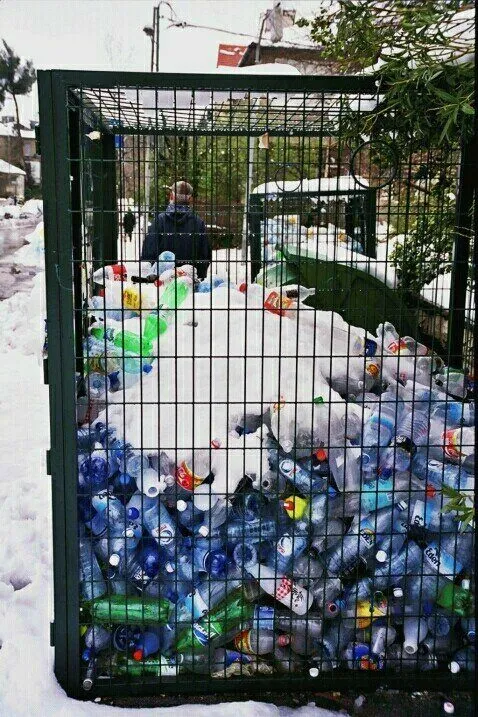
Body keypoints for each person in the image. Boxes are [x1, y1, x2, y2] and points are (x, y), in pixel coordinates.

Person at [141, 180, 211, 280]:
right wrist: (199, 275)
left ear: (171, 196)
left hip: (162, 280)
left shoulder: (160, 220)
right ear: (190, 199)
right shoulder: (198, 222)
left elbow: (149, 251)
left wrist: (152, 274)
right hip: (188, 279)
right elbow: (204, 255)